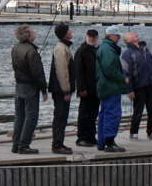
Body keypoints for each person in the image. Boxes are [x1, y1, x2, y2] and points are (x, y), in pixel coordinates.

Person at [11, 24, 48, 154]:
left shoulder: (15, 48)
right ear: (28, 37)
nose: (34, 34)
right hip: (30, 87)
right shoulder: (31, 51)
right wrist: (44, 89)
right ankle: (24, 145)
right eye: (32, 32)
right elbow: (37, 73)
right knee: (31, 117)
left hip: (19, 85)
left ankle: (16, 144)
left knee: (19, 116)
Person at [121, 32, 152, 141]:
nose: (135, 34)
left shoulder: (146, 50)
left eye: (135, 34)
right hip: (138, 86)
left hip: (151, 84)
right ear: (128, 40)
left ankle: (151, 132)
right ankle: (133, 132)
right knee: (138, 110)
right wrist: (130, 89)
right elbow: (126, 72)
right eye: (132, 34)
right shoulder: (127, 53)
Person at [96, 26, 130, 152]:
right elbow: (109, 68)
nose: (119, 37)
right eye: (117, 35)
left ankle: (102, 142)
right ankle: (109, 142)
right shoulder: (108, 49)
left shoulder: (105, 47)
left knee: (104, 114)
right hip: (110, 87)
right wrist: (122, 78)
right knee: (112, 114)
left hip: (104, 87)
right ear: (110, 36)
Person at [48, 24, 75, 154]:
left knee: (63, 117)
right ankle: (57, 145)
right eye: (68, 30)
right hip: (60, 91)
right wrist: (66, 90)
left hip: (60, 89)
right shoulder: (61, 49)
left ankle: (60, 143)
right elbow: (62, 71)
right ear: (64, 34)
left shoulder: (64, 47)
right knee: (60, 117)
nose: (71, 31)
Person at [74, 29, 100, 147]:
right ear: (86, 37)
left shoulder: (98, 50)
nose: (91, 38)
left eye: (93, 37)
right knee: (84, 114)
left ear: (97, 38)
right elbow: (78, 72)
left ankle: (91, 136)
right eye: (89, 36)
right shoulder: (82, 51)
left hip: (96, 88)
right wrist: (81, 89)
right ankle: (82, 138)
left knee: (93, 113)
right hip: (86, 88)